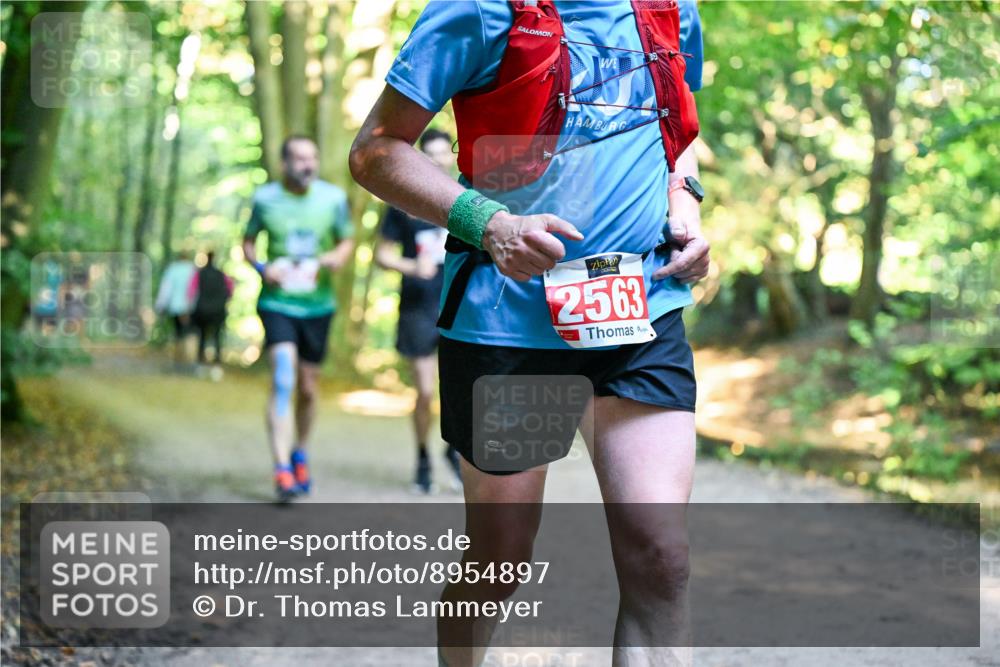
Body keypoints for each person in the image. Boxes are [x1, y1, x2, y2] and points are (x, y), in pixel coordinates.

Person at [350, 1, 709, 665]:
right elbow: (375, 150)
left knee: (662, 557)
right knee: (500, 557)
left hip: (641, 313)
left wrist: (685, 205)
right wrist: (490, 223)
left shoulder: (669, 9)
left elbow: (676, 136)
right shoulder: (480, 10)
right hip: (508, 325)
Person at [242, 136, 355, 502]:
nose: (308, 164)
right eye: (300, 159)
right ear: (284, 163)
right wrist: (261, 267)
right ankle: (281, 469)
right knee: (283, 376)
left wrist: (337, 258)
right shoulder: (264, 199)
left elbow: (346, 241)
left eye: (313, 158)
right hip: (278, 303)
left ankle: (299, 451)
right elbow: (247, 242)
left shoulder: (333, 199)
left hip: (318, 306)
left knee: (307, 388)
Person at [375, 128, 463, 494]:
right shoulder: (402, 202)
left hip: (458, 305)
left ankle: (453, 452)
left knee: (460, 390)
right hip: (417, 306)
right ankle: (424, 458)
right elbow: (382, 255)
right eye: (430, 154)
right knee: (426, 391)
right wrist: (412, 268)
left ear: (451, 157)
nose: (438, 160)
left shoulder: (467, 197)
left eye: (444, 153)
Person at [187, 250, 234, 367]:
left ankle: (200, 361)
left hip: (202, 309)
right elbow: (230, 289)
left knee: (202, 335)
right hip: (218, 310)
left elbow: (191, 291)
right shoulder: (221, 274)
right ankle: (217, 362)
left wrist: (190, 306)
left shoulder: (199, 273)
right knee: (217, 336)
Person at [155, 250, 197, 368]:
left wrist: (161, 305)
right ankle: (186, 360)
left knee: (178, 333)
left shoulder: (173, 269)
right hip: (190, 307)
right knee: (188, 333)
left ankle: (178, 359)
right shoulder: (192, 269)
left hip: (176, 306)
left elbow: (166, 289)